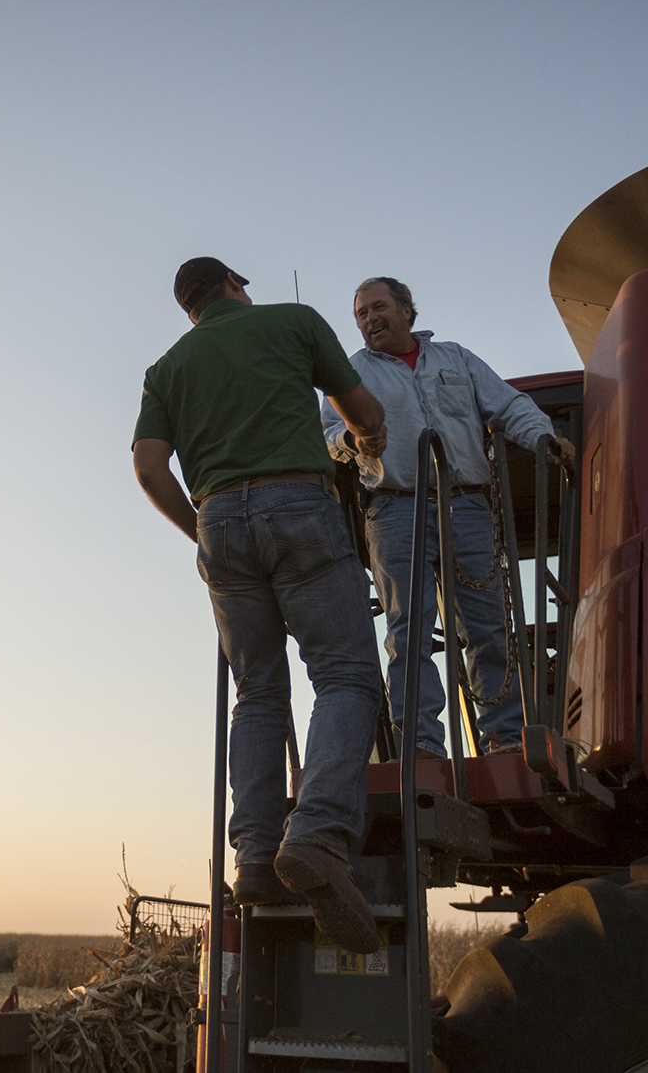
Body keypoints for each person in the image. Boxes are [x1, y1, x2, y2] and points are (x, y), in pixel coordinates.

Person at [132, 257, 390, 955]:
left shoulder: (167, 369)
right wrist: (370, 444)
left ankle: (253, 856)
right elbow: (363, 411)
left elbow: (150, 468)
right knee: (345, 675)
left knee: (257, 691)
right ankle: (316, 837)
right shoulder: (294, 322)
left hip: (219, 523)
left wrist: (202, 531)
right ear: (233, 287)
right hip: (299, 502)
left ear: (189, 308)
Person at [324, 277, 574, 759]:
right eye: (360, 314)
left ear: (406, 311)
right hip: (395, 508)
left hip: (467, 505)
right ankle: (420, 746)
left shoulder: (456, 358)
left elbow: (509, 406)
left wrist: (544, 437)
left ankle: (504, 737)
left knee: (486, 626)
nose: (368, 319)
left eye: (378, 308)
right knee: (408, 631)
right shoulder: (349, 374)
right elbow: (326, 431)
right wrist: (351, 442)